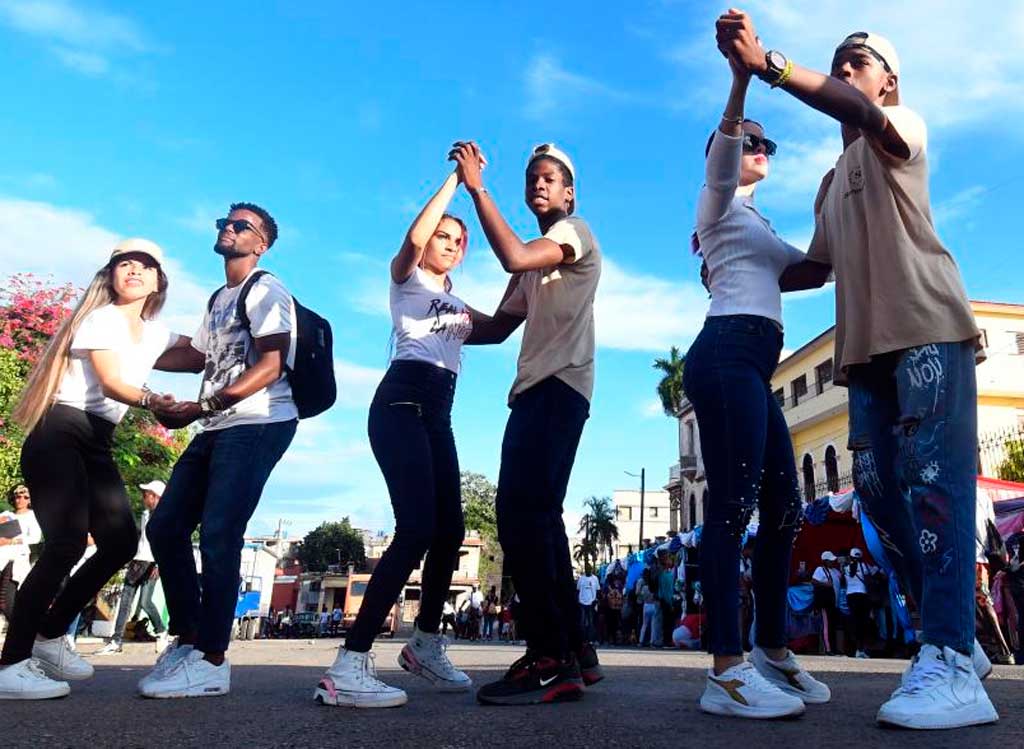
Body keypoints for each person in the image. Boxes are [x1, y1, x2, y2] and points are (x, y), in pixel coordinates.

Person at [719, 12, 997, 728]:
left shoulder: (902, 125)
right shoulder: (830, 178)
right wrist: (738, 249)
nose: (843, 69)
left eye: (856, 61)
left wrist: (772, 67)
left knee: (936, 489)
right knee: (876, 495)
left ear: (887, 80)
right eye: (836, 61)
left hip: (929, 330)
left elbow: (863, 114)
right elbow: (814, 265)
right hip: (866, 353)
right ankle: (955, 641)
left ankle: (947, 653)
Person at [681, 34, 830, 720]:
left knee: (786, 505)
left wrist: (842, 199)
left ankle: (771, 647)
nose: (760, 151)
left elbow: (812, 268)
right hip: (724, 353)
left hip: (754, 365)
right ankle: (726, 670)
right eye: (751, 143)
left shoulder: (760, 224)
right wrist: (742, 80)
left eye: (768, 147)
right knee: (731, 507)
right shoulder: (716, 203)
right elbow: (721, 154)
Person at [314, 166, 477, 710]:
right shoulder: (407, 279)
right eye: (444, 237)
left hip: (439, 410)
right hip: (402, 400)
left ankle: (425, 644)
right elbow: (411, 239)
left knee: (450, 529)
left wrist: (536, 276)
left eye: (459, 241)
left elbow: (499, 326)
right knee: (416, 529)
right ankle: (349, 663)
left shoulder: (455, 302)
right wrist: (459, 181)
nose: (450, 245)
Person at [449, 140, 604, 705]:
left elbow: (514, 254)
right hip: (541, 391)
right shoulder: (537, 262)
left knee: (520, 518)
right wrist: (438, 301)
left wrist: (476, 187)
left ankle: (548, 658)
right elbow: (495, 327)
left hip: (557, 389)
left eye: (549, 178)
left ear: (569, 192)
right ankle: (574, 652)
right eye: (531, 178)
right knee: (539, 521)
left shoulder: (572, 232)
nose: (538, 184)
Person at [0, 240, 183, 701]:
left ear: (159, 281)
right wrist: (152, 399)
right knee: (64, 543)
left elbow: (201, 352)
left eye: (145, 266)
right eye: (125, 264)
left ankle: (50, 633)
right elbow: (112, 381)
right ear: (111, 275)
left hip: (97, 440)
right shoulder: (100, 319)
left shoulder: (154, 333)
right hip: (60, 432)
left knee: (121, 540)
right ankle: (10, 664)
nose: (134, 271)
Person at [139, 202, 298, 700]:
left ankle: (212, 658)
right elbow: (197, 356)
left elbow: (271, 364)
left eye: (240, 226)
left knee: (221, 532)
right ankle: (188, 640)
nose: (228, 230)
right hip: (213, 424)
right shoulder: (218, 298)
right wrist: (128, 348)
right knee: (164, 526)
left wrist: (201, 405)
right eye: (224, 224)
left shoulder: (266, 288)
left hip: (259, 422)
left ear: (261, 243)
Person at [94, 480, 168, 656]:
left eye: (146, 495)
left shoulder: (164, 516)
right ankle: (116, 640)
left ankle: (161, 631)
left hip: (151, 562)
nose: (144, 498)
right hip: (138, 560)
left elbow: (164, 542)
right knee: (126, 602)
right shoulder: (145, 514)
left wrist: (158, 563)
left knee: (145, 602)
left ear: (155, 496)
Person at [0, 486, 42, 625]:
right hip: (1, 557)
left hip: (14, 561)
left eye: (25, 496)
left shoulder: (33, 516)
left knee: (5, 601)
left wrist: (11, 541)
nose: (21, 499)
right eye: (17, 496)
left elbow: (35, 538)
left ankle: (22, 632)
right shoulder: (6, 514)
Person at [844, 548, 879, 659]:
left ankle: (855, 649)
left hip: (851, 596)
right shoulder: (865, 567)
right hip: (863, 596)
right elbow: (876, 571)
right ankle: (862, 649)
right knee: (864, 623)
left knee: (854, 623)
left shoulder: (846, 568)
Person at [811, 552, 842, 655]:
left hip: (834, 603)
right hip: (826, 603)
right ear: (825, 561)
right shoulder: (820, 570)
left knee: (833, 626)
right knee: (827, 625)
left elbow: (842, 578)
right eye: (830, 560)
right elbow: (814, 581)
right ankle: (828, 649)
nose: (832, 562)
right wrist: (825, 584)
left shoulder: (835, 571)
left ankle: (834, 648)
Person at [577, 567, 599, 643]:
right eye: (587, 570)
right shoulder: (581, 579)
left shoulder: (595, 579)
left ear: (591, 570)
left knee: (591, 622)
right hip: (582, 602)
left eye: (589, 569)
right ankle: (582, 639)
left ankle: (590, 639)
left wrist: (596, 601)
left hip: (591, 603)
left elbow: (598, 590)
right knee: (582, 622)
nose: (588, 571)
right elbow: (578, 589)